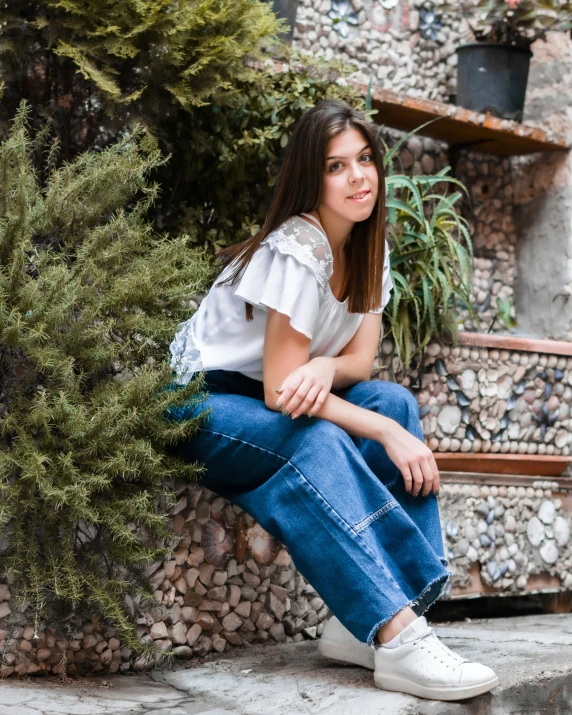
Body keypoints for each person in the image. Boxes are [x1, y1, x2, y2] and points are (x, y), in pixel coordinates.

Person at [167, 100, 499, 701]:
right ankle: (398, 638)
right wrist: (384, 433)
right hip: (201, 403)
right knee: (320, 438)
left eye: (365, 160)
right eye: (336, 166)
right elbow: (277, 391)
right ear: (310, 178)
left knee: (393, 401)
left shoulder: (370, 249)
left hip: (268, 394)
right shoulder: (299, 245)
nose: (358, 177)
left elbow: (358, 365)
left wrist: (325, 366)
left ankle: (364, 625)